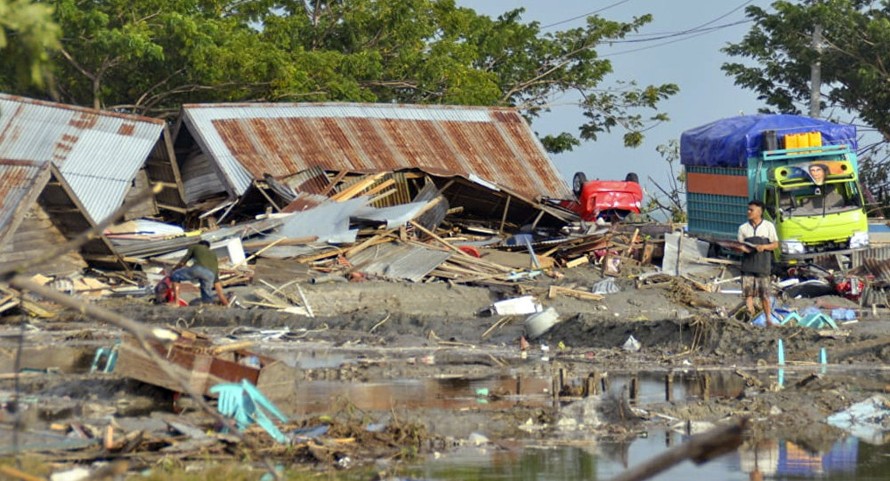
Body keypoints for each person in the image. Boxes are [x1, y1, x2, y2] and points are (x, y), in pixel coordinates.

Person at [738, 200, 779, 325]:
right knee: (748, 294)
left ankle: (768, 319)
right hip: (748, 266)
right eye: (748, 209)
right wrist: (742, 248)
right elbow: (740, 245)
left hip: (762, 266)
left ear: (759, 212)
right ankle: (750, 318)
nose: (748, 212)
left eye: (751, 210)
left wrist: (764, 247)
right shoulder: (743, 228)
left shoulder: (768, 226)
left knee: (764, 295)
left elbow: (775, 244)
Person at [170, 240, 229, 306]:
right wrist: (225, 303)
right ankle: (209, 306)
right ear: (208, 247)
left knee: (175, 275)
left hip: (198, 269)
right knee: (206, 297)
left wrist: (174, 270)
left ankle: (176, 302)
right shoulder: (213, 254)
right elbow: (217, 282)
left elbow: (183, 262)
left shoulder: (195, 247)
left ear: (199, 244)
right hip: (210, 275)